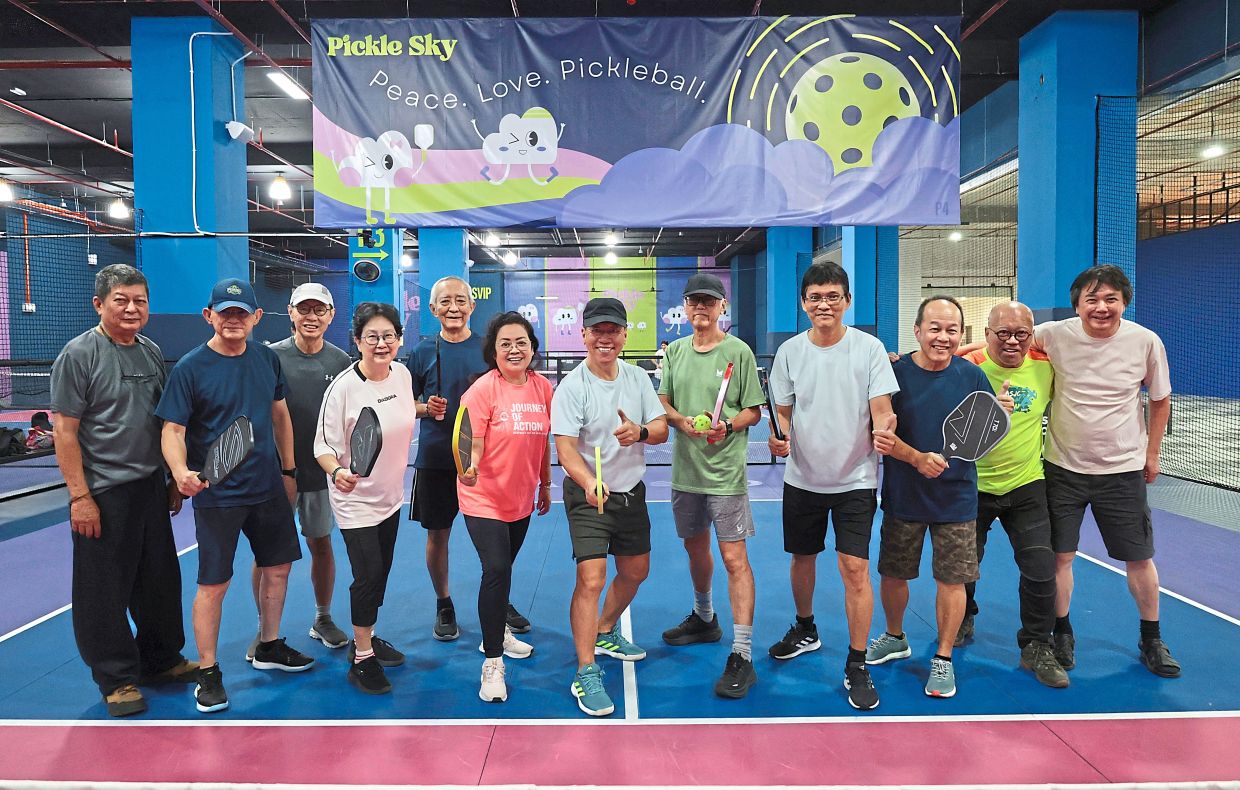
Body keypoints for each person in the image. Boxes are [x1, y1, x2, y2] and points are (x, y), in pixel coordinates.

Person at [157, 277, 313, 714]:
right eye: (224, 313)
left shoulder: (266, 358)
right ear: (209, 316)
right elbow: (173, 430)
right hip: (218, 495)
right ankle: (208, 670)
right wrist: (180, 471)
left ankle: (269, 644)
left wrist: (288, 469)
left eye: (241, 313)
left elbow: (279, 414)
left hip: (267, 488)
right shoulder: (189, 367)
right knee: (214, 583)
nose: (233, 320)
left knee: (278, 567)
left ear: (256, 318)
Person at [50, 264, 198, 717]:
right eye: (121, 300)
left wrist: (171, 477)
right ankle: (116, 679)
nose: (132, 308)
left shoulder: (151, 351)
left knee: (158, 582)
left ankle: (160, 660)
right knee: (103, 591)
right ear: (99, 304)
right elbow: (64, 431)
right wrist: (80, 497)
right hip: (104, 494)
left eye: (140, 301)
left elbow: (163, 422)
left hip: (150, 488)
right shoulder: (79, 354)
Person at [1033, 264, 1179, 678]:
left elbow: (1160, 400)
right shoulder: (1055, 334)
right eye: (1091, 299)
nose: (1101, 307)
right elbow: (1001, 344)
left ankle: (1152, 638)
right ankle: (1062, 632)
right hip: (1062, 467)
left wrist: (1152, 454)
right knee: (1060, 557)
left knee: (1139, 557)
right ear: (1077, 304)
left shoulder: (1145, 341)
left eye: (1110, 299)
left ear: (1124, 303)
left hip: (1123, 470)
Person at [766, 262, 898, 711]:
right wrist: (780, 436)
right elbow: (783, 409)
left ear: (847, 301)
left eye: (833, 296)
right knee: (803, 559)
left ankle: (857, 662)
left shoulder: (869, 349)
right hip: (801, 477)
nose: (824, 303)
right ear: (804, 303)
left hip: (856, 478)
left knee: (854, 569)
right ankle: (806, 627)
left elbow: (881, 406)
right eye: (816, 296)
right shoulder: (789, 352)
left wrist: (884, 428)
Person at [868, 295, 1011, 699]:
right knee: (894, 572)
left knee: (952, 579)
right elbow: (879, 435)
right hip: (904, 493)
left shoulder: (972, 377)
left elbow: (984, 434)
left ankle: (943, 657)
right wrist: (916, 460)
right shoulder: (892, 375)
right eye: (934, 328)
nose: (943, 337)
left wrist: (1000, 416)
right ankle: (895, 636)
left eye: (952, 330)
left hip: (957, 497)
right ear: (917, 331)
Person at [551, 298, 670, 716]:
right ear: (583, 334)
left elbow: (660, 430)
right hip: (589, 495)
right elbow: (565, 448)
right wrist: (588, 481)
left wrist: (638, 431)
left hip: (631, 492)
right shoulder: (572, 387)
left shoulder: (638, 379)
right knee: (591, 578)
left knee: (637, 571)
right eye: (597, 330)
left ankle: (604, 629)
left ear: (624, 335)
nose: (605, 338)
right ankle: (586, 670)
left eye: (613, 330)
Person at [658, 272, 765, 699]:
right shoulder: (676, 353)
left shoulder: (738, 352)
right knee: (695, 548)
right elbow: (663, 400)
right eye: (693, 302)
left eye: (709, 302)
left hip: (725, 476)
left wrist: (729, 424)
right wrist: (678, 420)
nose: (700, 309)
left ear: (722, 307)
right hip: (686, 474)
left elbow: (753, 412)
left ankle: (742, 653)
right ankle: (705, 618)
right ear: (685, 308)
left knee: (734, 557)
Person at [405, 276, 529, 642]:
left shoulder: (490, 351)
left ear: (472, 306)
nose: (454, 308)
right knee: (437, 535)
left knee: (501, 541)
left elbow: (510, 389)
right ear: (433, 309)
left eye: (461, 300)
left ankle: (498, 596)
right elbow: (403, 403)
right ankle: (444, 603)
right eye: (445, 302)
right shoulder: (422, 353)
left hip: (487, 465)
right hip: (436, 460)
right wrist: (426, 408)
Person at [956, 301, 1066, 688]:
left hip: (1027, 484)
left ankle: (1037, 644)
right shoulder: (966, 366)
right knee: (964, 567)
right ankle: (964, 613)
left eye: (1022, 333)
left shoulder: (1047, 365)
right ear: (987, 333)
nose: (1013, 341)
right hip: (973, 485)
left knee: (1040, 570)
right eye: (1003, 333)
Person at [243, 283, 352, 662]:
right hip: (273, 478)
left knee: (321, 543)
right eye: (304, 309)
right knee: (267, 554)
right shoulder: (267, 357)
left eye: (319, 310)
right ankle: (264, 630)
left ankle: (322, 619)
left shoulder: (341, 363)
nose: (311, 317)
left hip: (320, 474)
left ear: (330, 316)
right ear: (290, 313)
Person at [315, 302, 418, 695]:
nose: (381, 343)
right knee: (368, 575)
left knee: (381, 575)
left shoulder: (403, 375)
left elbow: (399, 417)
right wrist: (338, 472)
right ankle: (361, 658)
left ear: (398, 340)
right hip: (355, 500)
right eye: (371, 336)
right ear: (357, 341)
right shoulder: (343, 388)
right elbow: (322, 447)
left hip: (391, 497)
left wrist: (427, 409)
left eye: (388, 336)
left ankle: (367, 636)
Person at [457, 311, 553, 703]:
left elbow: (545, 441)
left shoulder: (544, 387)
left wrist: (546, 483)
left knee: (505, 568)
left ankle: (497, 630)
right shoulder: (482, 390)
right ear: (493, 351)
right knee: (495, 569)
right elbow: (469, 441)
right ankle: (492, 660)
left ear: (532, 347)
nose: (514, 350)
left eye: (521, 343)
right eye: (505, 344)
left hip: (521, 498)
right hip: (483, 497)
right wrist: (470, 465)